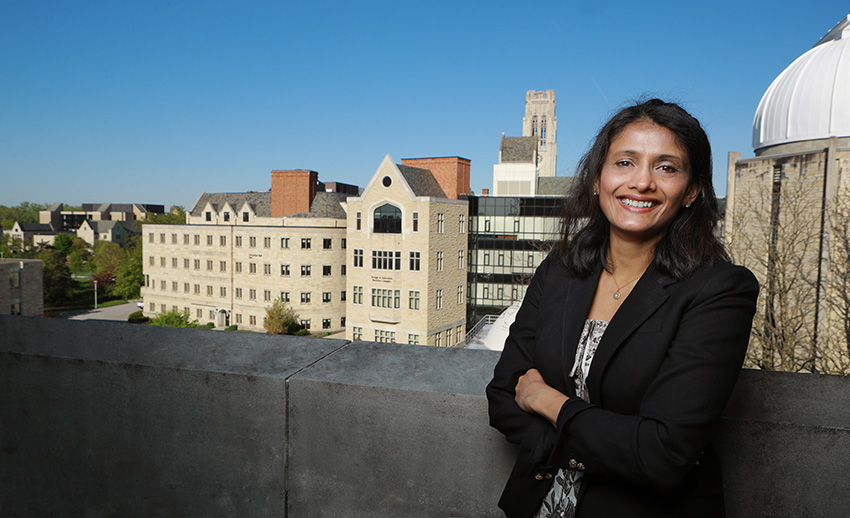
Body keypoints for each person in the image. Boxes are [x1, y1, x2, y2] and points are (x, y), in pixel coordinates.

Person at [486, 99, 759, 518]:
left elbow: (661, 453)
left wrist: (547, 401)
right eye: (625, 162)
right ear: (598, 179)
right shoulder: (561, 269)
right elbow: (504, 395)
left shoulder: (720, 290)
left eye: (666, 167)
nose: (642, 182)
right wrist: (608, 441)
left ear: (691, 191)